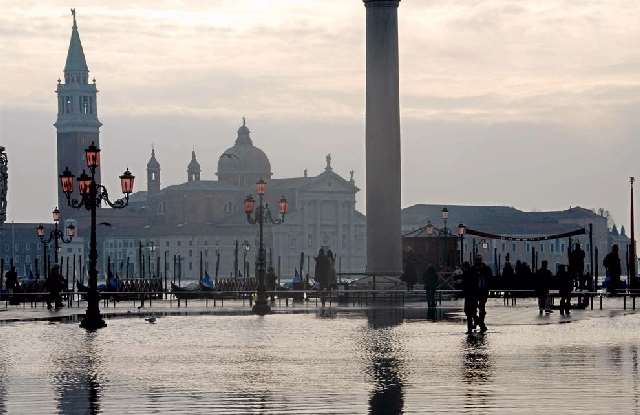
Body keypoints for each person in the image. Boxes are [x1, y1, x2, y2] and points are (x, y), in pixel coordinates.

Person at [473, 255, 491, 333]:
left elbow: (489, 279)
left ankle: (479, 322)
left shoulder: (484, 269)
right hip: (478, 290)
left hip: (482, 290)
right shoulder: (474, 269)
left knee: (481, 308)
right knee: (476, 308)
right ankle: (480, 322)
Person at [461, 262, 477, 334]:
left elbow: (465, 285)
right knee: (471, 312)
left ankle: (470, 328)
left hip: (469, 295)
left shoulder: (466, 274)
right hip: (473, 294)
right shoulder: (472, 273)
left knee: (468, 312)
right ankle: (475, 323)